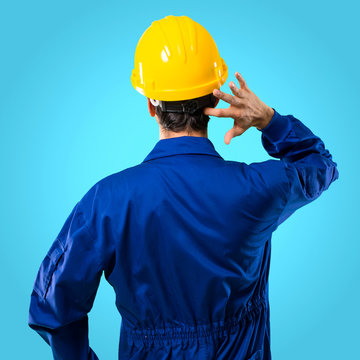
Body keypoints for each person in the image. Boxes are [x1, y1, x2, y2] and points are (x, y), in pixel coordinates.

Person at [28, 15, 339, 360]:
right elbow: (319, 165)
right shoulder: (259, 188)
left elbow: (52, 305)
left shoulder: (109, 200)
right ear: (214, 101)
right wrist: (269, 120)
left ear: (150, 105)